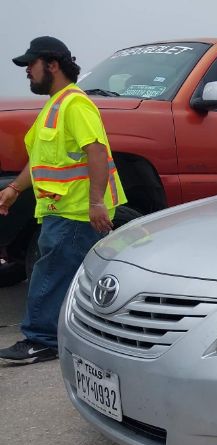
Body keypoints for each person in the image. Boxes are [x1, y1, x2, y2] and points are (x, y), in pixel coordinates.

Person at [0, 37, 126, 364]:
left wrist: (96, 202)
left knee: (50, 273)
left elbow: (95, 150)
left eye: (31, 64)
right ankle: (85, 336)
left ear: (52, 65)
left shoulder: (75, 104)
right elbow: (41, 161)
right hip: (62, 210)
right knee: (71, 275)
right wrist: (15, 189)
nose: (27, 71)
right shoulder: (55, 105)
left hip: (75, 211)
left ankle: (40, 340)